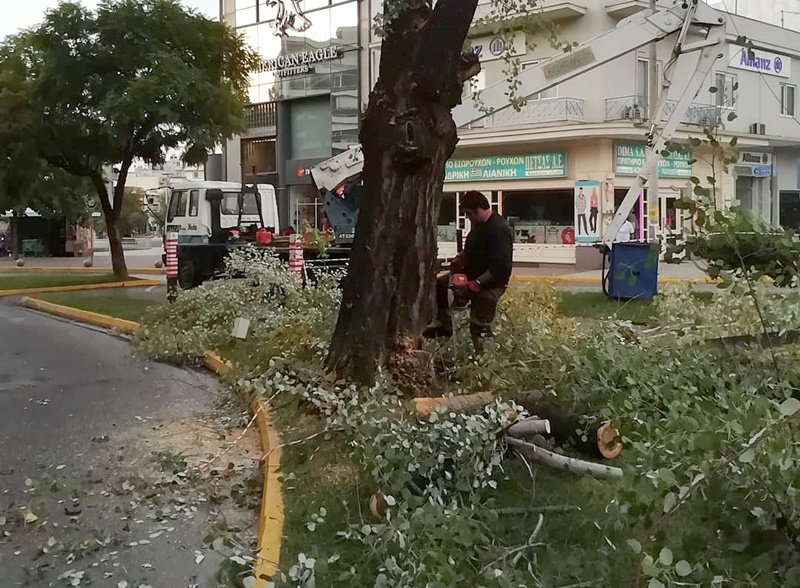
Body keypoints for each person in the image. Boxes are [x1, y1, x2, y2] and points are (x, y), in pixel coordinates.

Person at [423, 191, 513, 350]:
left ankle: (483, 360)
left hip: (490, 283)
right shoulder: (478, 226)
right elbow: (473, 248)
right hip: (471, 275)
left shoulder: (498, 230)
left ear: (478, 209)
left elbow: (501, 268)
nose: (467, 217)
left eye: (468, 214)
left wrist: (477, 283)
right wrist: (461, 257)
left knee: (479, 326)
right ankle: (444, 325)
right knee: (441, 285)